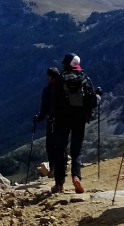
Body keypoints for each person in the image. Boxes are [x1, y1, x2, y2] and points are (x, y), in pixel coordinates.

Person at [35, 55, 98, 193]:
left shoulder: (60, 79)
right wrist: (98, 96)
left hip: (62, 120)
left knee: (60, 150)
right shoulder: (85, 78)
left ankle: (59, 184)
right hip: (80, 120)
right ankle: (76, 177)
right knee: (76, 151)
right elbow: (93, 101)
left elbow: (53, 102)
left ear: (67, 64)